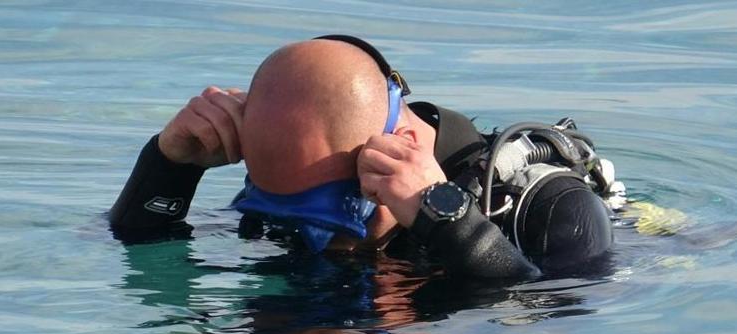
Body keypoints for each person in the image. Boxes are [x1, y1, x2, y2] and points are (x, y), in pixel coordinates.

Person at [110, 35, 617, 280]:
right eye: (291, 216)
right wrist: (170, 165)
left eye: (331, 218)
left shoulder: (552, 211)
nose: (317, 242)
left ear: (402, 150)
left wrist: (447, 219)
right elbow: (140, 251)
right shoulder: (298, 185)